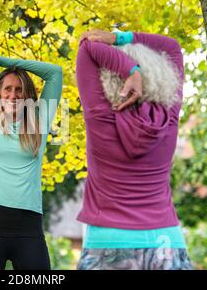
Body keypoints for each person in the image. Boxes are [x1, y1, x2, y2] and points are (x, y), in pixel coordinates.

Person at [75, 29, 193, 270]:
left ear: (108, 76)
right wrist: (120, 38)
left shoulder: (101, 117)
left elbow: (87, 47)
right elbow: (171, 46)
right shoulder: (168, 119)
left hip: (107, 243)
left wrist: (131, 70)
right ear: (160, 74)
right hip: (166, 243)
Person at [0, 54, 63, 270]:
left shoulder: (38, 120)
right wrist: (3, 72)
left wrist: (8, 63)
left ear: (27, 94)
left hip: (29, 230)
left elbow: (54, 73)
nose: (13, 95)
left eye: (19, 89)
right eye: (7, 89)